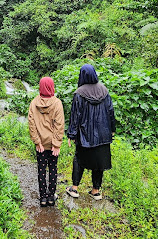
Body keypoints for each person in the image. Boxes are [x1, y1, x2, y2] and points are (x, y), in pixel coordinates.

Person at [66, 64, 116, 200]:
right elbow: (111, 112)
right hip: (103, 134)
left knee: (79, 159)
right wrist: (112, 129)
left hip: (85, 134)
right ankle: (95, 191)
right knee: (99, 162)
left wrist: (71, 134)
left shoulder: (79, 93)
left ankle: (74, 188)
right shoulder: (104, 91)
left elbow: (75, 116)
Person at [28, 77, 64, 207]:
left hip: (41, 145)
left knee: (42, 169)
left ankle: (43, 197)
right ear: (52, 87)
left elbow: (31, 124)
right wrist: (56, 143)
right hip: (52, 144)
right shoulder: (57, 103)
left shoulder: (33, 103)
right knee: (53, 168)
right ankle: (51, 197)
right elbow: (59, 125)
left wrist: (37, 142)